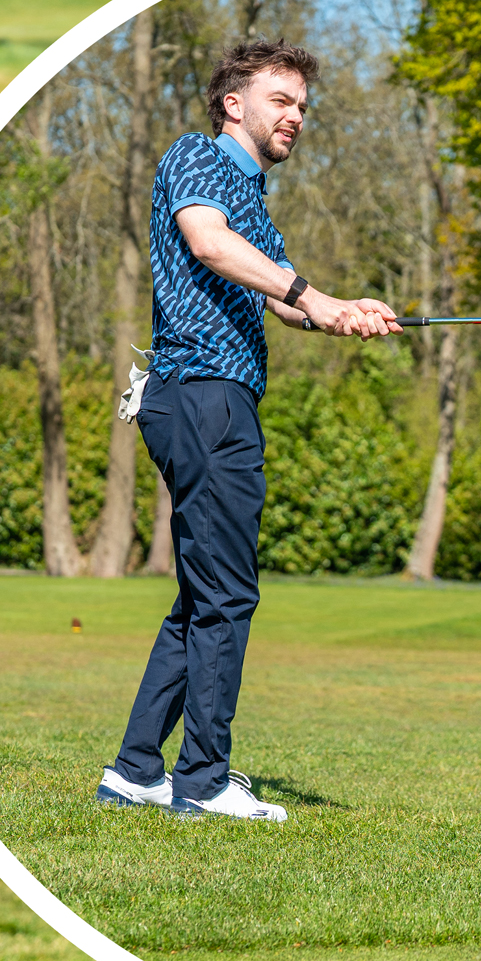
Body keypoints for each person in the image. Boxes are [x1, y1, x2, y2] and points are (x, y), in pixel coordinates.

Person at [95, 40, 400, 822]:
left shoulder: (252, 197)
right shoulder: (199, 157)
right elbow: (207, 241)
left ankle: (135, 769)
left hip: (207, 398)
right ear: (236, 104)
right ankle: (202, 781)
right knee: (228, 595)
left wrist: (347, 311)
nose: (296, 116)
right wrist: (311, 292)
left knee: (202, 595)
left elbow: (283, 300)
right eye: (281, 100)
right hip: (205, 397)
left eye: (303, 105)